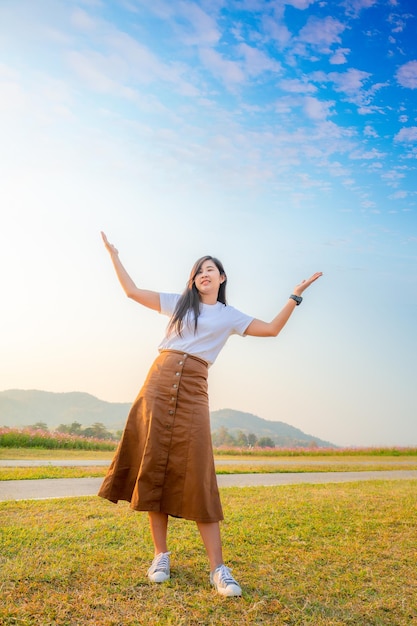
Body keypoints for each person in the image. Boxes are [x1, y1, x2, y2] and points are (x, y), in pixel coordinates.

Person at [98, 231, 322, 597]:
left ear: (221, 278)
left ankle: (218, 568)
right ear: (194, 278)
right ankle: (160, 556)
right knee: (155, 466)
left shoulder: (229, 316)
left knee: (198, 471)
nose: (204, 273)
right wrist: (114, 255)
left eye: (211, 269)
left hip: (194, 391)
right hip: (159, 380)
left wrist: (296, 294)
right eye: (199, 270)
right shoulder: (179, 304)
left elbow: (272, 329)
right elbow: (132, 292)